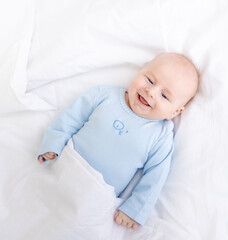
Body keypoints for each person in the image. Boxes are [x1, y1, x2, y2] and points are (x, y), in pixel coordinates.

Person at [37, 53, 199, 230]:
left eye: (164, 96)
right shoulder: (105, 96)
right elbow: (71, 118)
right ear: (140, 71)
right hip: (66, 169)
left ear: (175, 112)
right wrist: (54, 142)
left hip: (96, 195)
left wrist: (135, 209)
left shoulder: (160, 137)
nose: (150, 92)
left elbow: (155, 177)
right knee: (38, 211)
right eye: (150, 80)